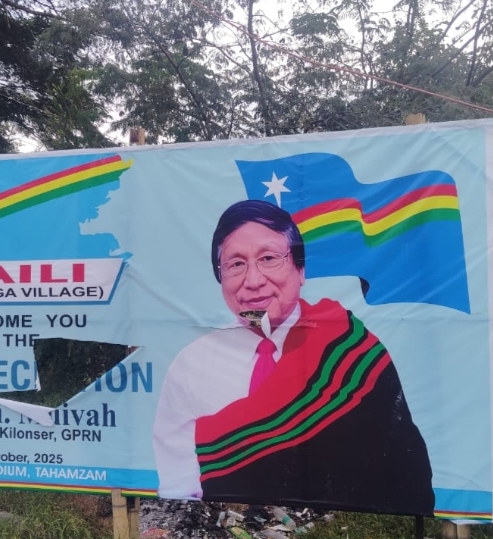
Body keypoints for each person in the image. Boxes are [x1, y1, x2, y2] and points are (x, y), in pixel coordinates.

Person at [153, 199, 435, 516]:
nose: (253, 280)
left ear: (301, 270)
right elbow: (179, 483)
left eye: (268, 259)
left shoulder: (349, 349)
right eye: (236, 264)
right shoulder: (191, 365)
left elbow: (406, 471)